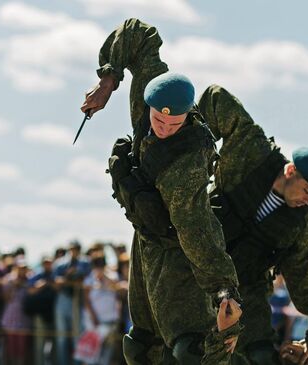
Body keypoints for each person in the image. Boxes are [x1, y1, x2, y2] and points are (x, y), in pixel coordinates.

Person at [81, 18, 242, 364]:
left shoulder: (186, 164)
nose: (165, 128)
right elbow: (139, 34)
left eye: (174, 123)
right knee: (139, 345)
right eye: (158, 120)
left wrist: (222, 288)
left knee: (186, 349)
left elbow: (196, 227)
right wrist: (108, 80)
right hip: (145, 238)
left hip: (177, 249)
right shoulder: (148, 95)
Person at [197, 84, 308, 364]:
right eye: (307, 190)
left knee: (260, 356)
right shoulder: (253, 153)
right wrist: (194, 157)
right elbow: (215, 98)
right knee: (178, 349)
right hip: (194, 262)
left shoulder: (301, 224)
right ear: (290, 171)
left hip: (246, 289)